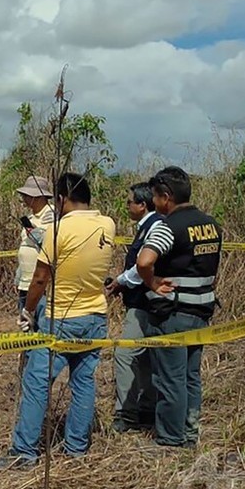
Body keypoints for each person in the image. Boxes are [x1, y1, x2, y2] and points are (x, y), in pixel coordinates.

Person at [0, 172, 115, 468]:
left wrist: (28, 312)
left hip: (60, 317)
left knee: (37, 382)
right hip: (95, 314)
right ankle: (76, 449)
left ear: (60, 199)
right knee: (83, 382)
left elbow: (40, 278)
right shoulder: (107, 223)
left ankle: (24, 452)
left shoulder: (58, 230)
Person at [136, 166, 222, 449]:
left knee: (170, 378)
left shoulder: (168, 227)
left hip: (173, 313)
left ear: (166, 197)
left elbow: (145, 261)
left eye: (156, 197)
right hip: (202, 311)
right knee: (190, 376)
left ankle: (170, 440)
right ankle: (189, 433)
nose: (154, 202)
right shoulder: (210, 224)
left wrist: (152, 284)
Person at [106, 182, 164, 432]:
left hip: (144, 304)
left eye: (129, 202)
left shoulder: (155, 227)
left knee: (126, 353)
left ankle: (127, 413)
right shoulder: (147, 227)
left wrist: (120, 281)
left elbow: (143, 268)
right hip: (142, 302)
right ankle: (146, 409)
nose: (126, 206)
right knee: (146, 357)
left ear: (142, 205)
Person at [15, 176, 56, 327]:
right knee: (26, 327)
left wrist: (31, 229)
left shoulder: (51, 216)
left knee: (42, 327)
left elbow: (46, 241)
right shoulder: (31, 216)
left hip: (41, 285)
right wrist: (18, 279)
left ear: (37, 197)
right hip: (25, 284)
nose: (24, 199)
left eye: (27, 196)